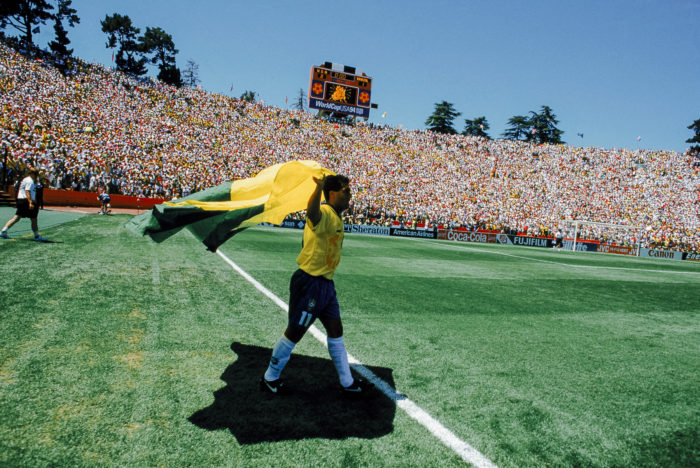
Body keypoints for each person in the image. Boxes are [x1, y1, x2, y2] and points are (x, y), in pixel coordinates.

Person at [261, 174, 369, 396]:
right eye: (346, 191)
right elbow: (312, 214)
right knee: (295, 332)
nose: (350, 195)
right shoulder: (326, 212)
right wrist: (318, 188)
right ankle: (269, 377)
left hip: (326, 284)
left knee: (336, 329)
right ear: (332, 194)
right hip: (310, 282)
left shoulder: (336, 216)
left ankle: (346, 381)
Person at [0, 167, 47, 241]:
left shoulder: (28, 180)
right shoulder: (30, 181)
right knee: (33, 218)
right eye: (34, 174)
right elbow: (27, 191)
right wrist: (31, 202)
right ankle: (37, 236)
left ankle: (3, 231)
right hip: (26, 201)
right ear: (30, 173)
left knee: (17, 217)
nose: (36, 175)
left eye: (36, 174)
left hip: (22, 200)